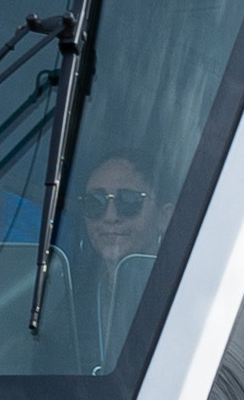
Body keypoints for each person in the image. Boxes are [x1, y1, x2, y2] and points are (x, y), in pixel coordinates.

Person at [62, 149, 168, 370]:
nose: (110, 216)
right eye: (96, 202)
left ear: (164, 217)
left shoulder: (187, 289)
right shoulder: (63, 297)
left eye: (128, 201)